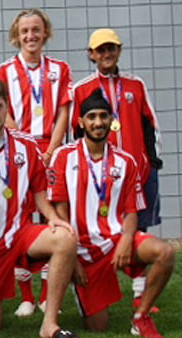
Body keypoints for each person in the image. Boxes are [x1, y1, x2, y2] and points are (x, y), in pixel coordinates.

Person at [0, 76, 80, 338]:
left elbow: (40, 193)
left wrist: (55, 219)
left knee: (66, 238)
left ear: (7, 106)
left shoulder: (27, 145)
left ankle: (50, 323)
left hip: (21, 233)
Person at [49, 89, 174, 338]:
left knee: (166, 252)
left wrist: (127, 239)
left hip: (117, 240)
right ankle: (84, 292)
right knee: (98, 327)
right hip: (83, 250)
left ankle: (141, 317)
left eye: (103, 116)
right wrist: (71, 259)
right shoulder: (63, 157)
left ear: (111, 120)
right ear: (81, 122)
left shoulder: (126, 161)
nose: (98, 122)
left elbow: (131, 209)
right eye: (92, 117)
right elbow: (60, 213)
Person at [70, 28, 163, 312]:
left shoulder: (135, 85)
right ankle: (99, 280)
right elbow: (76, 132)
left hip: (136, 170)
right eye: (100, 50)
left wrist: (152, 162)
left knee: (139, 228)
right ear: (91, 54)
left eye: (111, 48)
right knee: (100, 227)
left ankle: (139, 290)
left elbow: (150, 124)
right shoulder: (82, 88)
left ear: (119, 51)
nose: (106, 54)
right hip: (99, 174)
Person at [0, 9, 73, 315]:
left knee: (50, 216)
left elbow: (64, 111)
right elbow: (4, 115)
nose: (30, 36)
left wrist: (51, 149)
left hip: (51, 149)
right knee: (22, 217)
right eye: (25, 31)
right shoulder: (4, 71)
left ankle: (46, 295)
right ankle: (26, 295)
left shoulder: (60, 69)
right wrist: (26, 145)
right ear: (17, 35)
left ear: (45, 33)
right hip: (21, 151)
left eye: (36, 30)